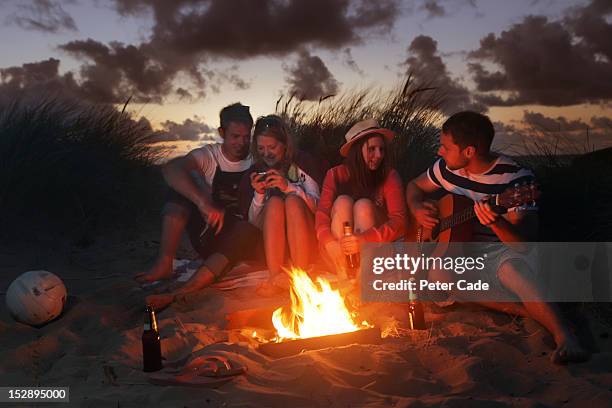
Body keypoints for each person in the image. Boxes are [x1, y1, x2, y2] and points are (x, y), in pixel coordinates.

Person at [405, 110, 589, 364]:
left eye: (445, 147)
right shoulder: (447, 169)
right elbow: (413, 186)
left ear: (469, 151)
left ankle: (565, 336)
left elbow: (524, 246)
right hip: (464, 250)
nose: (439, 152)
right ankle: (522, 310)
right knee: (439, 277)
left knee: (513, 270)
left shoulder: (515, 180)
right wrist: (417, 208)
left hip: (501, 250)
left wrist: (497, 222)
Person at [136, 103, 262, 308]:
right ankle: (165, 262)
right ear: (222, 132)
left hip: (242, 235)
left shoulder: (255, 157)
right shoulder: (210, 156)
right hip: (211, 232)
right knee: (178, 191)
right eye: (235, 137)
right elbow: (171, 169)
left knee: (244, 229)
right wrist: (202, 201)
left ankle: (186, 289)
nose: (242, 142)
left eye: (246, 136)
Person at [238, 115, 325, 291]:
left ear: (285, 144)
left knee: (292, 200)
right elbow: (253, 223)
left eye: (272, 147)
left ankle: (300, 277)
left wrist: (289, 187)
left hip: (305, 240)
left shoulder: (302, 163)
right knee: (275, 203)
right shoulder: (255, 171)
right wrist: (259, 193)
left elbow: (319, 209)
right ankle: (275, 277)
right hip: (273, 247)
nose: (266, 153)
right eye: (261, 148)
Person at [316, 119, 407, 277]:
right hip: (337, 253)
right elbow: (322, 214)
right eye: (372, 149)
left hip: (376, 254)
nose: (379, 155)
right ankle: (344, 273)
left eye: (381, 149)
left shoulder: (389, 176)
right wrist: (330, 242)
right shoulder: (335, 175)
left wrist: (364, 239)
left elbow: (399, 221)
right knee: (342, 202)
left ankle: (361, 277)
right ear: (357, 151)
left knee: (363, 206)